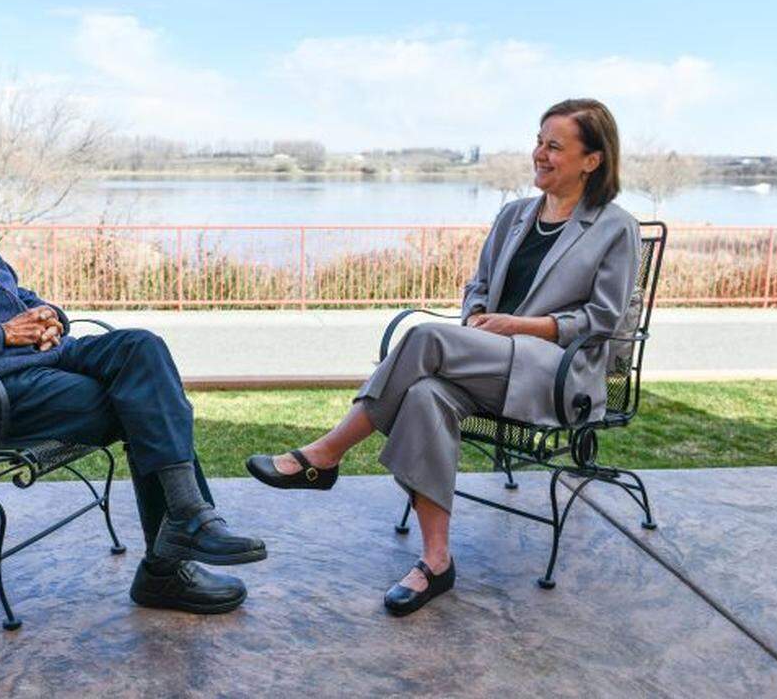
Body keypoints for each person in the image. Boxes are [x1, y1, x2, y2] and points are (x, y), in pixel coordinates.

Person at [247, 98, 640, 616]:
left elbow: (605, 319)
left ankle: (325, 455)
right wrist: (479, 315)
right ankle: (436, 561)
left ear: (592, 159)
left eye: (554, 146)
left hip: (557, 372)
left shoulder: (615, 227)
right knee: (427, 394)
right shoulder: (514, 216)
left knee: (425, 339)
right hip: (490, 360)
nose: (538, 154)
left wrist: (522, 326)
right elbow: (478, 286)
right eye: (538, 141)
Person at [0, 136, 266, 615]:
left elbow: (17, 296)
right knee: (144, 402)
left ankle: (188, 519)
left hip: (48, 361)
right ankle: (168, 564)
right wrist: (1, 334)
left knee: (141, 347)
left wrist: (50, 318)